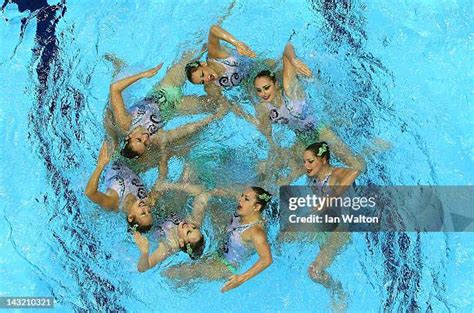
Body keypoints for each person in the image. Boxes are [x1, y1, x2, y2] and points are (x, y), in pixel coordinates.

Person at [245, 43, 365, 185]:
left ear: (276, 84)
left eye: (266, 88)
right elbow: (268, 134)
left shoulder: (290, 90)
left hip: (320, 130)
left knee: (357, 165)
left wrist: (294, 61)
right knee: (276, 173)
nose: (263, 93)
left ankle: (372, 149)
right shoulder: (264, 108)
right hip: (302, 139)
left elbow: (287, 49)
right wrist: (272, 144)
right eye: (259, 90)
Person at [163, 187, 273, 293]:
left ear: (256, 207)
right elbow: (228, 192)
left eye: (246, 199)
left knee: (173, 273)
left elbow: (266, 260)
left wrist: (241, 279)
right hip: (218, 252)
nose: (240, 200)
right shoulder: (242, 212)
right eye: (242, 196)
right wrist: (211, 193)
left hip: (224, 267)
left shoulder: (256, 232)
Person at [304, 142, 359, 311]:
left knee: (315, 271)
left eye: (310, 161)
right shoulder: (313, 177)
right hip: (327, 224)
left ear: (324, 160)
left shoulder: (334, 175)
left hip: (342, 229)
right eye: (304, 161)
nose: (306, 165)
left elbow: (355, 171)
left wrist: (329, 199)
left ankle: (339, 292)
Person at [132, 183, 210, 271]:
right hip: (156, 210)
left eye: (188, 232)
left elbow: (143, 268)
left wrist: (144, 253)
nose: (190, 226)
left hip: (140, 226)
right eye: (194, 228)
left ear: (181, 242)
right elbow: (202, 193)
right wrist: (169, 185)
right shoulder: (192, 222)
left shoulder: (167, 246)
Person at [84, 142, 153, 232]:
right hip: (131, 160)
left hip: (111, 157)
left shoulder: (114, 202)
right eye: (149, 212)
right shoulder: (147, 199)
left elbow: (90, 193)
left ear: (130, 217)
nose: (146, 208)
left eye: (143, 213)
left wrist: (100, 165)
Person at [185, 25, 256, 96]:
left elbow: (213, 29)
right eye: (202, 81)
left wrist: (237, 43)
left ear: (203, 64)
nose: (206, 79)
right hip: (248, 83)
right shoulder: (212, 85)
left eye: (203, 74)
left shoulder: (215, 56)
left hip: (256, 64)